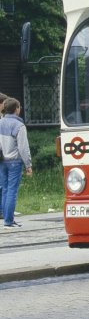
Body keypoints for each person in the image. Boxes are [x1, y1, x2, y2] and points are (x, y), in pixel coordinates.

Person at [0, 97, 32, 228]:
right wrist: (28, 165)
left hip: (2, 161)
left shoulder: (0, 122)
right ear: (16, 109)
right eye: (19, 107)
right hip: (14, 161)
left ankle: (6, 218)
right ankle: (8, 220)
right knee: (12, 191)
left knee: (5, 189)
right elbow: (23, 148)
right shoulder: (19, 125)